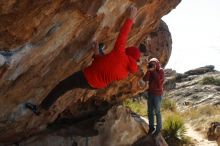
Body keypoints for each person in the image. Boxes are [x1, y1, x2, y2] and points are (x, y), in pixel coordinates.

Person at [26, 6, 141, 115]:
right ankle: (100, 49)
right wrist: (97, 54)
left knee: (62, 86)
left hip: (87, 77)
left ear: (128, 52)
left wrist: (130, 18)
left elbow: (123, 36)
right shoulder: (124, 73)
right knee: (100, 55)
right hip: (95, 85)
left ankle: (41, 109)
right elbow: (105, 66)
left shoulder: (120, 54)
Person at [143, 58, 164, 136]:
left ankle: (158, 128)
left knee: (157, 111)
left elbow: (159, 81)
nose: (152, 65)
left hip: (158, 94)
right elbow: (145, 79)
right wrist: (148, 70)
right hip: (151, 93)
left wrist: (154, 71)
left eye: (154, 63)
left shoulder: (161, 71)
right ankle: (151, 127)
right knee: (150, 111)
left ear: (157, 63)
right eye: (151, 63)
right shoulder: (150, 71)